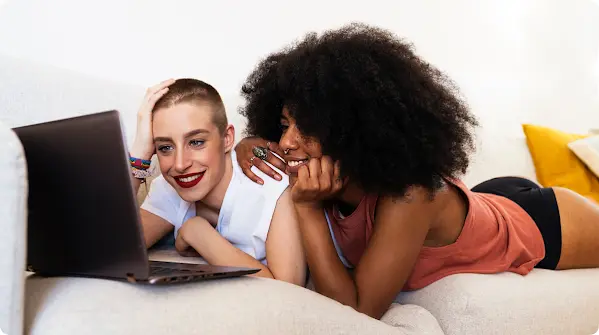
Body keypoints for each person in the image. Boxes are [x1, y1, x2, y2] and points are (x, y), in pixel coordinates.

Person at [233, 23, 599, 319]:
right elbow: (266, 155)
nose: (287, 143)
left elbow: (358, 311)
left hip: (545, 221)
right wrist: (247, 144)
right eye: (284, 125)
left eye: (307, 129)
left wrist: (308, 209)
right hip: (487, 198)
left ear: (352, 130)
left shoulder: (410, 195)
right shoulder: (314, 165)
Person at [128, 78, 305, 286]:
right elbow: (109, 252)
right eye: (165, 147)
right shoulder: (169, 188)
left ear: (227, 139)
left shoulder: (272, 185)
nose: (180, 164)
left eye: (196, 142)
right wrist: (139, 153)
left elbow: (288, 290)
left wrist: (199, 234)